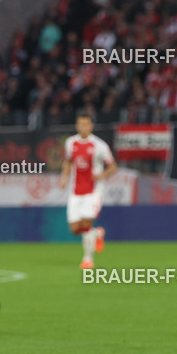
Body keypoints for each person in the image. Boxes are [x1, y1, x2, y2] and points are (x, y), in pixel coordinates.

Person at [58, 113, 117, 269]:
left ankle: (87, 259)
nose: (83, 127)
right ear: (77, 126)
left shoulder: (100, 145)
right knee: (75, 228)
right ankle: (98, 233)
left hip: (93, 191)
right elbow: (68, 162)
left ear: (91, 126)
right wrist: (64, 178)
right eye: (80, 124)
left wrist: (101, 175)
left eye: (86, 124)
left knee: (86, 223)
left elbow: (113, 167)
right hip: (75, 191)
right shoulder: (70, 143)